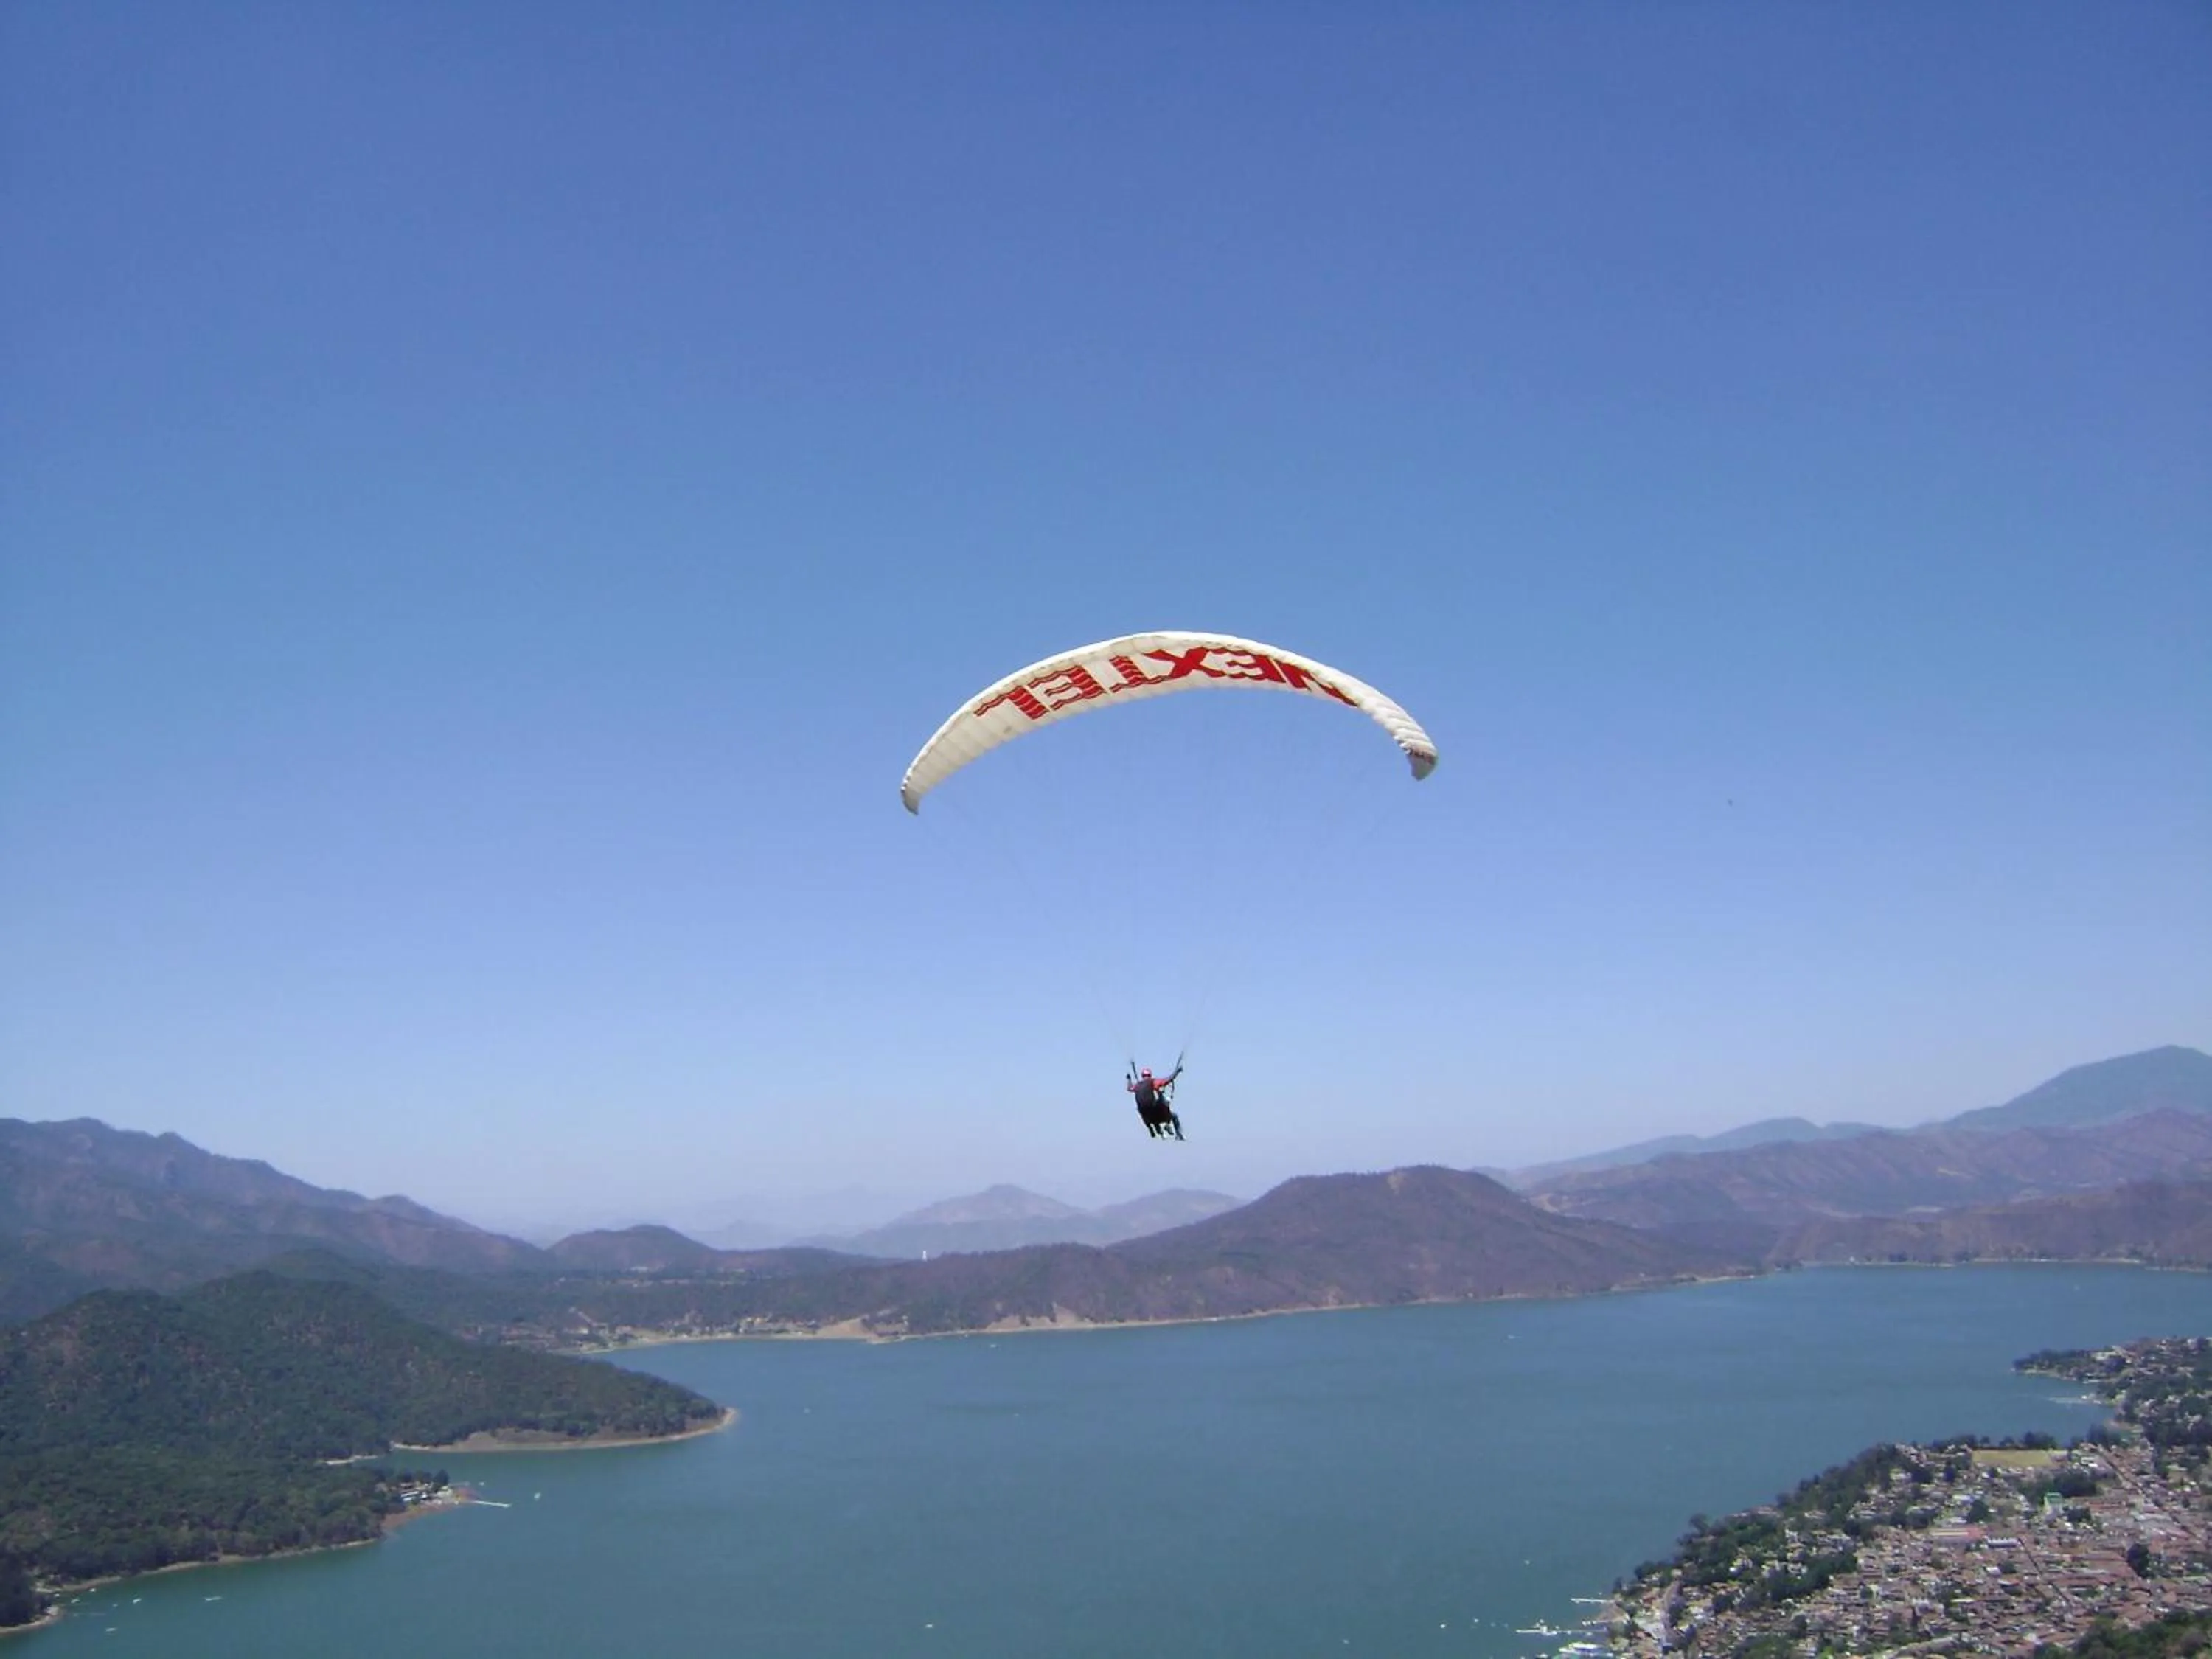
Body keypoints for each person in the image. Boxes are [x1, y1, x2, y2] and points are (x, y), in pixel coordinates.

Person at [1127, 1064, 1184, 1141]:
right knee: (1174, 1116)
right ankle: (1178, 1134)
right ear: (1150, 1075)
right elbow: (1168, 1080)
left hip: (1148, 1118)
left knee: (1154, 1110)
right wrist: (1177, 1072)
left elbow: (1130, 1088)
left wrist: (1129, 1079)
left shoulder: (1137, 1086)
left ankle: (1157, 1130)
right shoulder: (1153, 1082)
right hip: (1159, 1115)